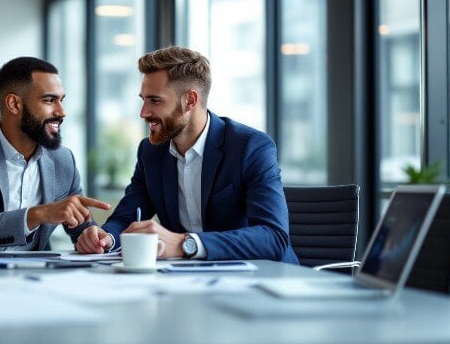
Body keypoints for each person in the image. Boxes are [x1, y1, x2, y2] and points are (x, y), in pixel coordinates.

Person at [75, 46, 298, 263]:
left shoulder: (250, 147)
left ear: (190, 100)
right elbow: (127, 217)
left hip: (263, 279)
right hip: (190, 280)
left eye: (155, 100)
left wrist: (184, 244)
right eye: (143, 99)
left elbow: (274, 238)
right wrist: (105, 238)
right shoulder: (151, 152)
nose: (143, 112)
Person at [0, 57, 110, 253]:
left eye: (61, 100)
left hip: (37, 277)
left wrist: (93, 236)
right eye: (49, 100)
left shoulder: (62, 160)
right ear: (14, 104)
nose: (62, 112)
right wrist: (38, 214)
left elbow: (82, 227)